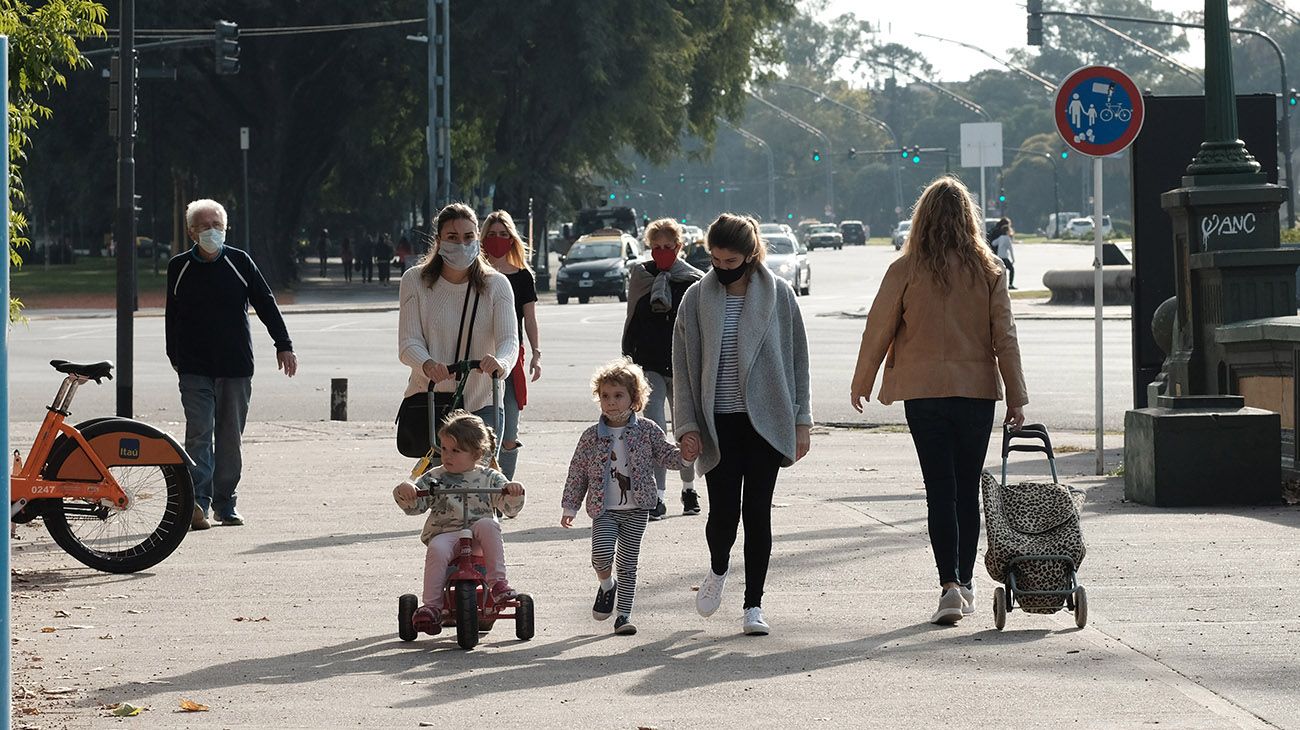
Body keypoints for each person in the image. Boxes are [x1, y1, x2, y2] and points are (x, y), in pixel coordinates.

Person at [849, 175, 1028, 626]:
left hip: (923, 393)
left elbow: (879, 328)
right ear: (969, 218)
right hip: (975, 393)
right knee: (967, 490)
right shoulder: (989, 270)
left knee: (939, 489)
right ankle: (966, 583)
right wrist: (1017, 398)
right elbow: (1004, 337)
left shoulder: (905, 269)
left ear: (921, 218)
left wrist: (862, 381)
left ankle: (947, 584)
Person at [673, 213, 813, 637]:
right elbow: (683, 366)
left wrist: (801, 419)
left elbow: (798, 360)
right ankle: (718, 569)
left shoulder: (780, 295)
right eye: (713, 257)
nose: (720, 266)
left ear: (751, 256)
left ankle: (753, 604)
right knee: (722, 515)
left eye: (730, 260)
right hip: (719, 424)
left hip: (766, 422)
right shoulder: (697, 298)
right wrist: (687, 426)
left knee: (757, 513)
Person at [166, 198, 298, 530]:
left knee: (229, 437)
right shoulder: (179, 267)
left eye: (217, 225)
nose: (211, 231)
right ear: (191, 232)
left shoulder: (239, 262)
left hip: (235, 366)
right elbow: (172, 316)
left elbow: (266, 303)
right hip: (194, 368)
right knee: (198, 434)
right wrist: (175, 356)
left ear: (225, 229)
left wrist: (284, 345)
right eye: (204, 226)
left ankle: (226, 503)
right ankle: (198, 502)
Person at [560, 358, 688, 636]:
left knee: (628, 563)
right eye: (605, 396)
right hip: (604, 508)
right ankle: (607, 584)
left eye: (618, 396)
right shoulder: (591, 436)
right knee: (601, 555)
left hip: (638, 508)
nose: (611, 402)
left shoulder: (647, 430)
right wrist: (570, 505)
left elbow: (667, 456)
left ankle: (624, 615)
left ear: (634, 399)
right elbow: (577, 472)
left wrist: (686, 456)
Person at [398, 203, 517, 452]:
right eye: (452, 237)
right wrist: (428, 364)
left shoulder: (497, 284)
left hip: (483, 400)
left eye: (468, 237)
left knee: (481, 480)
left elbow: (509, 341)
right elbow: (408, 343)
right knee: (439, 480)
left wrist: (501, 363)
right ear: (439, 240)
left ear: (477, 239)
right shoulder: (414, 281)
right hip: (433, 400)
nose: (461, 244)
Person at [393, 410, 525, 636]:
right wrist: (405, 492)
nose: (447, 456)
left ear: (476, 453)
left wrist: (513, 493)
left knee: (489, 524)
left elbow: (509, 509)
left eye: (456, 451)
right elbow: (416, 506)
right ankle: (432, 606)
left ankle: (498, 584)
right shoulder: (436, 477)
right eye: (444, 449)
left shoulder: (490, 477)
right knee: (437, 547)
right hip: (447, 533)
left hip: (477, 539)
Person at [622, 218, 703, 520]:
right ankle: (657, 496)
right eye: (657, 247)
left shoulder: (694, 280)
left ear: (680, 247)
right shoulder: (641, 277)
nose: (663, 252)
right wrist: (629, 355)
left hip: (682, 366)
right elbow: (632, 319)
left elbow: (699, 326)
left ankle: (689, 487)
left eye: (669, 247)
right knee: (655, 431)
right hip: (649, 365)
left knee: (686, 430)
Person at [480, 210, 542, 480]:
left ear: (512, 239)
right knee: (482, 430)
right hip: (478, 356)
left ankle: (505, 489)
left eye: (503, 234)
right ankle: (483, 487)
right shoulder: (473, 274)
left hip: (511, 357)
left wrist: (536, 355)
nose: (497, 239)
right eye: (491, 234)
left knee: (510, 429)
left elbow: (530, 320)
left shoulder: (522, 276)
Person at [990, 217, 1016, 290]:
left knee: (999, 272)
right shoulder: (1007, 238)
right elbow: (1010, 249)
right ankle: (1010, 284)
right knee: (1011, 269)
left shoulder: (1000, 236)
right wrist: (1013, 259)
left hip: (998, 256)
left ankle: (998, 286)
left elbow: (993, 243)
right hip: (1004, 257)